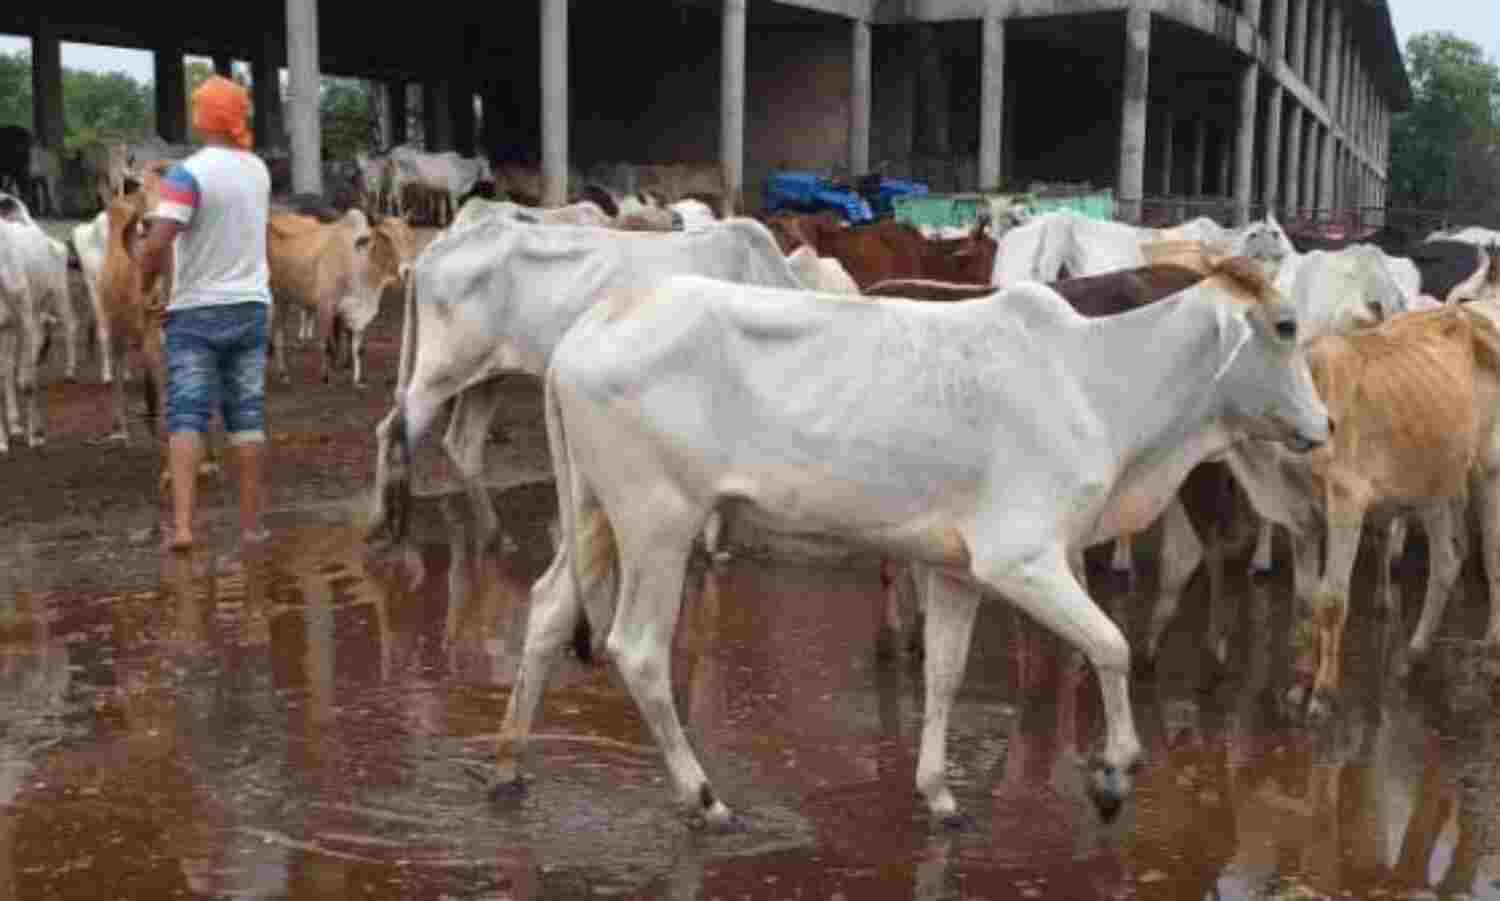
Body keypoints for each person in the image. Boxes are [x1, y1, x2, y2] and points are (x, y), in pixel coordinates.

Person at [137, 76, 272, 551]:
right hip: (253, 308)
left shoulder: (188, 174)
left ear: (203, 117)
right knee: (248, 418)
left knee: (187, 416)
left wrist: (144, 283)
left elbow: (157, 243)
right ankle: (252, 527)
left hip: (196, 312)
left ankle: (184, 528)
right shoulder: (258, 170)